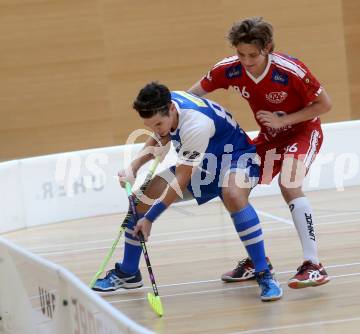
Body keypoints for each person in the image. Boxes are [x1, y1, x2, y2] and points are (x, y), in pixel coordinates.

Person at [92, 81, 282, 301]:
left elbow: (181, 180)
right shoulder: (166, 105)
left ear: (171, 109)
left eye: (158, 123)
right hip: (205, 164)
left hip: (236, 158)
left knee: (233, 195)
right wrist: (133, 166)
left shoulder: (196, 125)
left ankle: (264, 273)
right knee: (140, 200)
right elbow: (160, 136)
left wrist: (151, 218)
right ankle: (128, 272)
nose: (156, 129)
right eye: (151, 125)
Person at [188, 17, 332, 289]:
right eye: (240, 54)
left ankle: (313, 264)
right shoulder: (228, 69)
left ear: (268, 48)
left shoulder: (291, 70)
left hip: (302, 131)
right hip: (269, 138)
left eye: (253, 55)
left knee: (289, 184)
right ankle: (258, 260)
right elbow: (190, 98)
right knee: (231, 188)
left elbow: (324, 104)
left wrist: (283, 121)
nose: (246, 60)